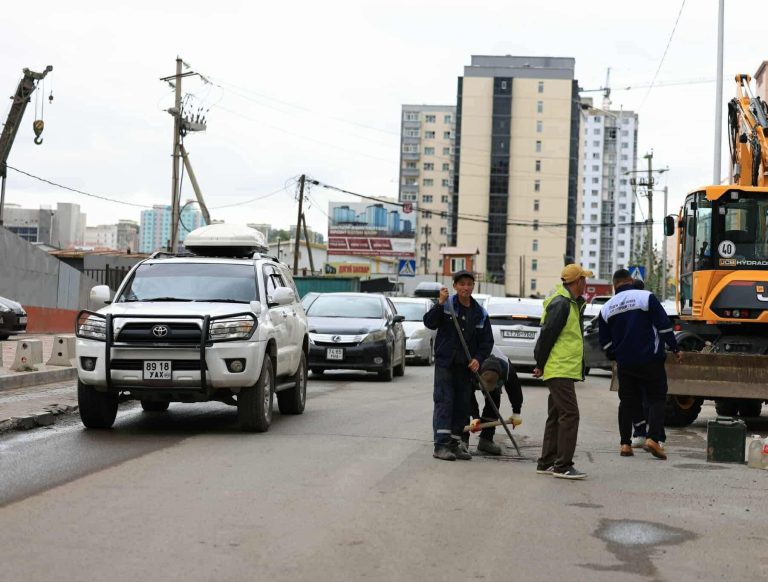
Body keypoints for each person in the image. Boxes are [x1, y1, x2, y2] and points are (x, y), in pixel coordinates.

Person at [598, 269, 682, 460]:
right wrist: (675, 348)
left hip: (625, 363)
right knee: (657, 398)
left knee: (627, 401)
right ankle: (653, 438)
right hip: (650, 359)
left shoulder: (607, 307)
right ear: (631, 280)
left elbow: (605, 341)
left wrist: (616, 355)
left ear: (614, 284)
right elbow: (664, 326)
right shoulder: (646, 297)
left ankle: (625, 444)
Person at [423, 270, 494, 461]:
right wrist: (439, 303)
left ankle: (455, 444)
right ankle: (441, 445)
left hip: (465, 366)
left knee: (462, 405)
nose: (465, 287)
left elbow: (487, 342)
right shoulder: (446, 306)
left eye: (469, 284)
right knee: (444, 402)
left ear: (473, 286)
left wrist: (478, 359)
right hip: (446, 363)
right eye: (461, 284)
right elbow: (429, 323)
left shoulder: (479, 313)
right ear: (455, 286)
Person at [532, 264, 591, 480]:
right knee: (570, 414)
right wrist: (540, 362)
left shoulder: (570, 303)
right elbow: (547, 335)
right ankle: (563, 465)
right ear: (577, 282)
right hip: (559, 368)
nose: (586, 283)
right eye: (584, 279)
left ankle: (547, 461)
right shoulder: (562, 304)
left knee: (557, 414)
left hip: (561, 367)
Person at [461, 345, 524, 455]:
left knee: (494, 400)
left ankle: (486, 440)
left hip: (494, 373)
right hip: (473, 367)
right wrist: (475, 417)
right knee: (462, 400)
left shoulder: (507, 369)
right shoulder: (471, 364)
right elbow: (468, 396)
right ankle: (462, 440)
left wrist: (516, 412)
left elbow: (515, 390)